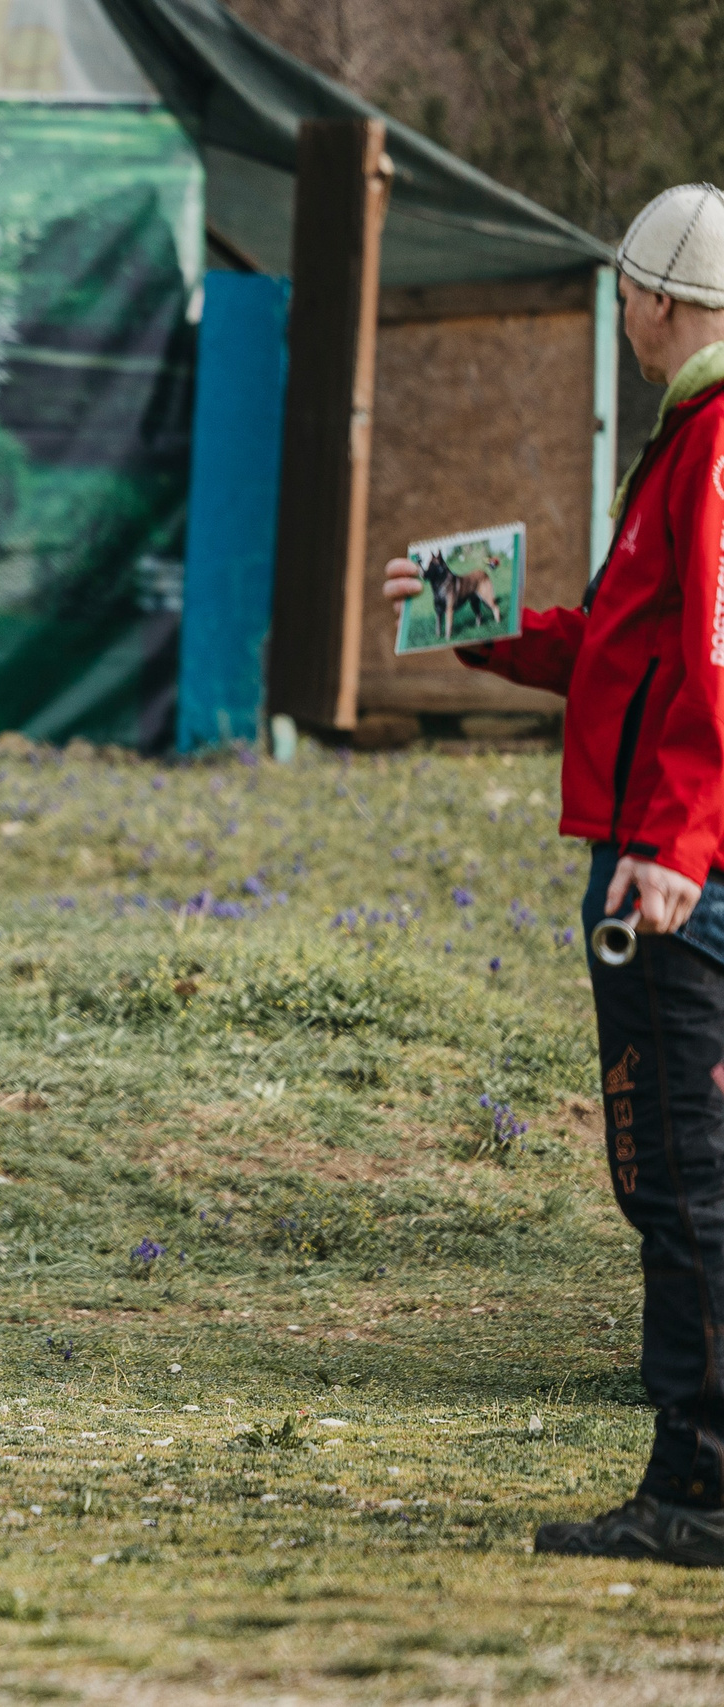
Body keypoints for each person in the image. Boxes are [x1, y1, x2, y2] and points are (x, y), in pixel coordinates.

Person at [384, 181, 724, 1566]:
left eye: (624, 294)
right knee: (671, 1181)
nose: (623, 311)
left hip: (669, 875)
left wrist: (677, 850)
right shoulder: (686, 441)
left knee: (685, 1182)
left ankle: (698, 1493)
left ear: (650, 300)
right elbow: (626, 646)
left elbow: (715, 666)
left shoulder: (716, 446)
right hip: (660, 854)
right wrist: (473, 620)